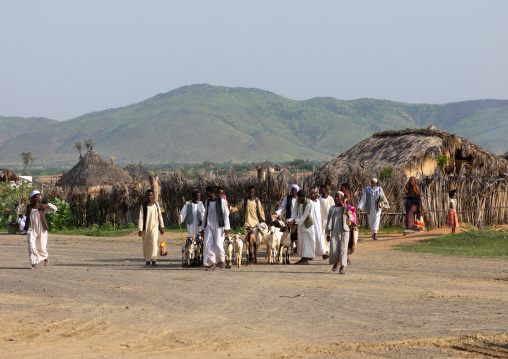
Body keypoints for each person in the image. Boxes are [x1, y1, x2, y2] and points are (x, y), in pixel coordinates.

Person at [16, 191, 58, 269]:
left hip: (42, 229)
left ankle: (45, 257)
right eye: (35, 197)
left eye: (38, 197)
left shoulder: (42, 207)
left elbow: (55, 209)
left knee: (42, 248)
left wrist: (47, 204)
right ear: (32, 198)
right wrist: (21, 204)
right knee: (31, 246)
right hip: (31, 229)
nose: (37, 199)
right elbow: (18, 211)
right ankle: (34, 264)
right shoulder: (28, 207)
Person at [200, 186, 230, 270]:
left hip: (219, 226)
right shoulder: (207, 201)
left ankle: (222, 260)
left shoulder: (222, 201)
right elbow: (205, 215)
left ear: (210, 192)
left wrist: (226, 227)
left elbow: (226, 214)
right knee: (208, 244)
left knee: (218, 243)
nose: (205, 193)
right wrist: (203, 228)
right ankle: (212, 262)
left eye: (206, 192)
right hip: (209, 225)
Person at [325, 191, 354, 274]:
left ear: (342, 198)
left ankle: (342, 267)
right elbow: (328, 221)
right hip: (334, 231)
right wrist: (327, 233)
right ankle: (336, 262)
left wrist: (346, 209)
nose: (336, 199)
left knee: (343, 249)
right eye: (336, 197)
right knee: (334, 250)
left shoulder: (346, 208)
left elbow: (351, 218)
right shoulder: (332, 209)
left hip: (344, 231)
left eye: (338, 197)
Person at [138, 189, 165, 267]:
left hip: (154, 227)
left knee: (153, 242)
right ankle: (147, 260)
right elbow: (141, 218)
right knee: (146, 244)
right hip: (145, 228)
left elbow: (160, 216)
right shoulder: (143, 205)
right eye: (148, 195)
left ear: (153, 196)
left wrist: (162, 226)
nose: (149, 196)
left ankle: (153, 259)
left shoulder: (156, 205)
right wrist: (140, 229)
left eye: (150, 195)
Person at [289, 190, 315, 265]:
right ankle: (302, 258)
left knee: (306, 242)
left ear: (304, 197)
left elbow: (304, 217)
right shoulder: (297, 200)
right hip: (300, 225)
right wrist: (293, 219)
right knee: (301, 241)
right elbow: (295, 210)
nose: (299, 200)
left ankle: (305, 259)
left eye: (301, 198)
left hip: (307, 225)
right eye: (298, 198)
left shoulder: (308, 204)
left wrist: (294, 222)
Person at [309, 187, 328, 259]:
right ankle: (311, 254)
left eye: (314, 193)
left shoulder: (318, 202)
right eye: (311, 193)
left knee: (320, 237)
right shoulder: (308, 201)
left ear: (316, 194)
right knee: (312, 238)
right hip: (311, 223)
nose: (312, 195)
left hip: (318, 222)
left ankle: (323, 253)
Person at [318, 185, 335, 252]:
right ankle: (324, 249)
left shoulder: (330, 198)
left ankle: (329, 249)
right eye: (320, 190)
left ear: (326, 190)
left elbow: (333, 208)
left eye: (323, 190)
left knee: (329, 234)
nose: (322, 191)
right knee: (322, 234)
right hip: (321, 219)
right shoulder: (319, 199)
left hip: (329, 219)